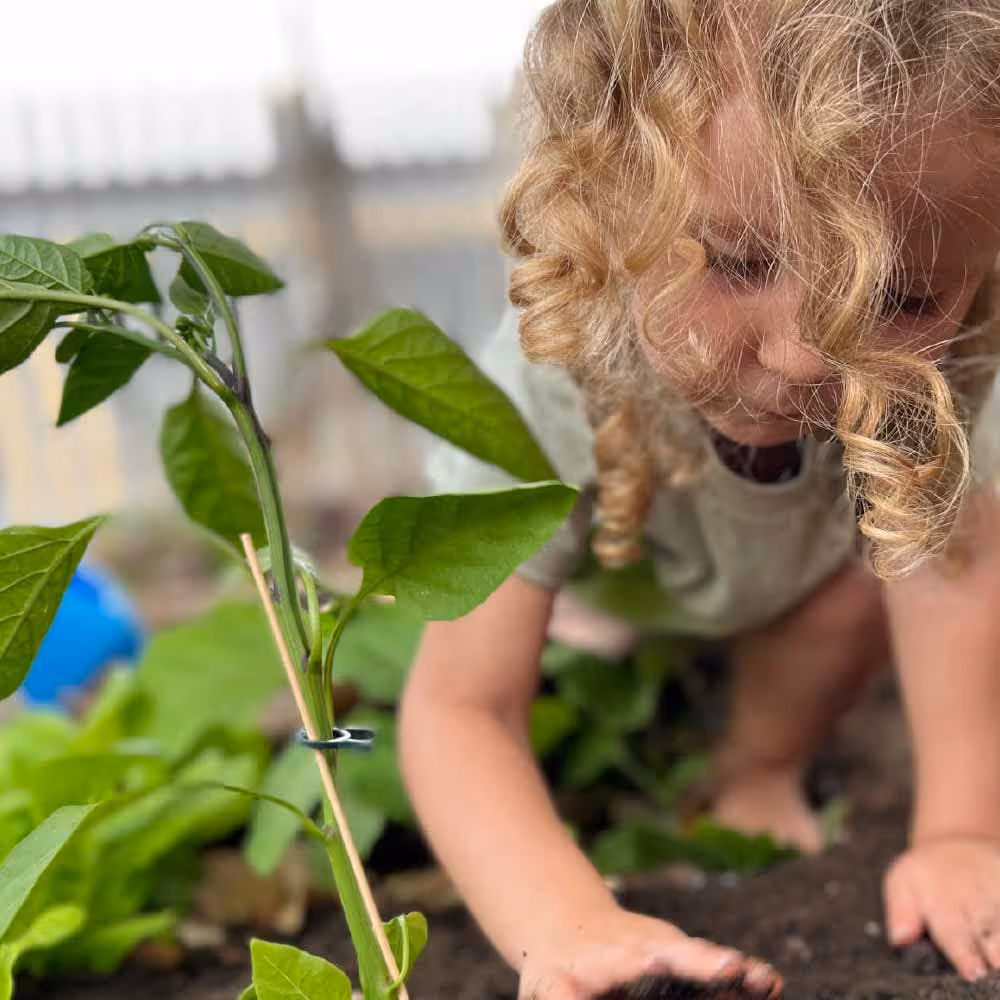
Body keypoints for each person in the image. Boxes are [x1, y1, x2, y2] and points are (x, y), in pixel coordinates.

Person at [398, 2, 1000, 996]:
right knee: (557, 699)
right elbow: (463, 703)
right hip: (605, 614)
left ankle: (755, 771)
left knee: (890, 559)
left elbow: (951, 578)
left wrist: (962, 833)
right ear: (600, 192)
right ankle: (658, 708)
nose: (807, 354)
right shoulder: (549, 376)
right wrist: (566, 922)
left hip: (803, 598)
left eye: (899, 296)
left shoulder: (961, 355)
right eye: (738, 260)